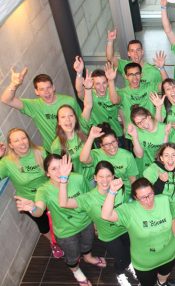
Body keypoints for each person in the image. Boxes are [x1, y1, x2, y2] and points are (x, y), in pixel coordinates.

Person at [15, 154, 105, 286]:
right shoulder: (44, 190)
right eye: (53, 169)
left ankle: (88, 257)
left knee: (88, 244)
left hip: (86, 223)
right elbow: (39, 212)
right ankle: (76, 272)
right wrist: (32, 208)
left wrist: (95, 221)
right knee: (72, 255)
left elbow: (89, 200)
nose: (59, 172)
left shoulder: (79, 179)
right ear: (47, 173)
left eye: (61, 167)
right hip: (65, 231)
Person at [58, 161, 135, 286]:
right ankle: (120, 273)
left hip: (126, 230)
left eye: (108, 176)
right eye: (100, 176)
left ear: (114, 176)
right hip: (110, 236)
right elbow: (63, 203)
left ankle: (128, 265)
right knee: (121, 258)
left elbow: (127, 207)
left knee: (130, 252)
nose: (105, 180)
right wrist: (63, 179)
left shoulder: (121, 188)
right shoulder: (88, 198)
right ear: (94, 177)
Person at [0, 128, 64, 258]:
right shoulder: (6, 163)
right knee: (44, 224)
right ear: (10, 145)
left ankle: (67, 238)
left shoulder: (40, 152)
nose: (22, 142)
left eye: (23, 138)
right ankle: (53, 242)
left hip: (49, 194)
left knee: (59, 219)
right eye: (16, 140)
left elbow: (55, 171)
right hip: (29, 201)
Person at [102, 178, 175, 286]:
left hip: (168, 255)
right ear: (135, 198)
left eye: (150, 194)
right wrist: (112, 191)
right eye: (143, 197)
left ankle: (161, 283)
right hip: (145, 262)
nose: (148, 200)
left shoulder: (164, 200)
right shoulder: (129, 210)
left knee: (164, 276)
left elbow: (172, 217)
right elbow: (106, 215)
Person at [1, 68, 82, 151]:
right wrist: (14, 84)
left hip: (77, 146)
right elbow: (6, 99)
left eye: (48, 88)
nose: (46, 92)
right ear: (36, 92)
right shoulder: (34, 106)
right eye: (42, 89)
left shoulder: (69, 101)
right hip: (54, 152)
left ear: (53, 87)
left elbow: (82, 122)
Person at [143, 143, 175, 257]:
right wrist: (160, 182)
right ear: (161, 158)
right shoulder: (152, 171)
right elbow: (146, 196)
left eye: (173, 155)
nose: (170, 159)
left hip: (171, 207)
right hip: (153, 209)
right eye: (166, 155)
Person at [80, 125, 138, 199]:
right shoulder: (97, 154)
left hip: (122, 189)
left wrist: (134, 196)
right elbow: (83, 159)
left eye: (113, 142)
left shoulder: (127, 156)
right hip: (103, 187)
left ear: (117, 140)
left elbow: (132, 179)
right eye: (107, 144)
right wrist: (91, 137)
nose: (112, 146)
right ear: (102, 146)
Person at [73, 58, 123, 140]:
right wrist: (79, 73)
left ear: (107, 82)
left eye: (104, 83)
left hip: (117, 133)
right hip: (98, 136)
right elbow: (79, 90)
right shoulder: (89, 94)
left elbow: (116, 102)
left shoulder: (113, 90)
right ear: (93, 85)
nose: (102, 87)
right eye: (98, 84)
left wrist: (111, 80)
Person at [110, 62, 160, 136]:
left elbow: (166, 86)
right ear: (126, 76)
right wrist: (110, 81)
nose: (135, 78)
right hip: (132, 135)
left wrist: (161, 69)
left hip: (151, 132)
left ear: (141, 75)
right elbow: (114, 101)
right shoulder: (123, 93)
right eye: (131, 75)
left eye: (137, 74)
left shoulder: (149, 87)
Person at [50, 103, 94, 185]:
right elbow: (59, 171)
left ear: (75, 118)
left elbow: (88, 105)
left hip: (93, 178)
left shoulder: (83, 130)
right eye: (63, 117)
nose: (68, 120)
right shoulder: (56, 146)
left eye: (71, 116)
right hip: (77, 183)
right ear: (59, 122)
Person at [127, 105, 170, 172]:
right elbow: (139, 155)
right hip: (146, 167)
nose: (142, 124)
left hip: (164, 166)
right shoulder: (137, 132)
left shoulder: (165, 128)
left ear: (149, 116)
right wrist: (134, 137)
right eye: (138, 123)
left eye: (143, 119)